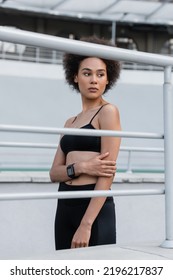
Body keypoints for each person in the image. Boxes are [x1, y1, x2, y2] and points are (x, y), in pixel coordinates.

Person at [49, 36, 121, 250]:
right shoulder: (69, 122)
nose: (93, 80)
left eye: (100, 74)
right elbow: (54, 174)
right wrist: (81, 167)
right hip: (64, 205)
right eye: (87, 73)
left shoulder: (108, 112)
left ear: (108, 79)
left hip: (93, 208)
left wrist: (86, 224)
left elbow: (108, 173)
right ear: (75, 77)